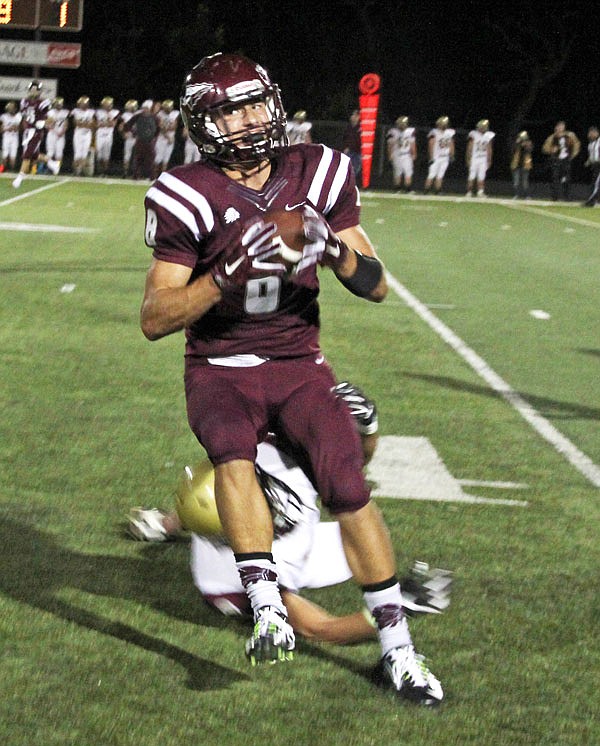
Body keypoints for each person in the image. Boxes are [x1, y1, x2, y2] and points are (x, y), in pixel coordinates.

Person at [139, 52, 443, 705]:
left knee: (349, 484)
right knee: (231, 451)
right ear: (204, 122)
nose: (253, 117)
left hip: (299, 361)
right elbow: (155, 317)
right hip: (220, 364)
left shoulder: (318, 169)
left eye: (258, 101)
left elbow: (377, 284)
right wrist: (222, 276)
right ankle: (267, 605)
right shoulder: (184, 191)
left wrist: (331, 249)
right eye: (234, 108)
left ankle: (400, 651)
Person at [128, 383, 452, 638]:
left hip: (289, 528)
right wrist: (401, 606)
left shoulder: (245, 475)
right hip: (298, 557)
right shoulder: (231, 582)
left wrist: (164, 523)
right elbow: (321, 627)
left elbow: (202, 503)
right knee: (370, 541)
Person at [12, 81, 60, 188]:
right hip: (28, 131)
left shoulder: (43, 102)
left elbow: (52, 118)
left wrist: (44, 123)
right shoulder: (24, 101)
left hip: (36, 132)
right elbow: (25, 116)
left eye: (36, 89)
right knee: (34, 156)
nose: (33, 91)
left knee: (27, 155)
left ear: (39, 91)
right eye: (32, 89)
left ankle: (19, 179)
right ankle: (52, 163)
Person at [542, 120, 580, 201]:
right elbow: (545, 148)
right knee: (555, 178)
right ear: (556, 128)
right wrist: (551, 150)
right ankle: (554, 197)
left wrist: (572, 155)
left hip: (566, 160)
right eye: (559, 127)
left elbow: (577, 145)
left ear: (564, 127)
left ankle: (567, 197)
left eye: (562, 126)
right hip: (556, 160)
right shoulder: (552, 137)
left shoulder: (570, 135)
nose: (560, 128)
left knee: (566, 179)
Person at [126, 99, 158, 179]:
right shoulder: (138, 116)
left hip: (149, 141)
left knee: (150, 159)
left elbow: (157, 128)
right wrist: (133, 133)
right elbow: (128, 125)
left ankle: (151, 176)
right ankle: (136, 175)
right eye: (144, 108)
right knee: (138, 159)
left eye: (146, 108)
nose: (145, 109)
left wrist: (154, 137)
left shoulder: (154, 117)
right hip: (140, 140)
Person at [424, 116, 455, 195]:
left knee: (440, 175)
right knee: (432, 174)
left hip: (445, 157)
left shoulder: (449, 132)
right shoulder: (434, 132)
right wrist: (431, 157)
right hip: (436, 157)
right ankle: (426, 190)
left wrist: (451, 155)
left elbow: (451, 144)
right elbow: (431, 144)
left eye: (445, 124)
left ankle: (437, 191)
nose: (444, 125)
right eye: (443, 124)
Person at [386, 116, 417, 193]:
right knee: (397, 172)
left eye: (403, 124)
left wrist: (414, 153)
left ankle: (408, 188)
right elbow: (390, 145)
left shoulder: (410, 131)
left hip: (406, 154)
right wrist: (390, 155)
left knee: (408, 172)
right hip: (397, 154)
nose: (402, 125)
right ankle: (397, 188)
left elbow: (412, 143)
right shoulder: (393, 132)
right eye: (401, 124)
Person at [465, 119, 494, 197]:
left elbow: (489, 148)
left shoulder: (488, 135)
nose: (484, 128)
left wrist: (489, 159)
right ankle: (469, 192)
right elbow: (469, 147)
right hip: (474, 158)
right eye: (483, 126)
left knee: (481, 176)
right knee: (472, 175)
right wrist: (468, 158)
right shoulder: (473, 134)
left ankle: (480, 192)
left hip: (483, 159)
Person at [153, 99, 180, 177]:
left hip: (170, 138)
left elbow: (174, 127)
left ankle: (161, 178)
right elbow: (161, 127)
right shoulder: (160, 114)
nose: (168, 110)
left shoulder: (175, 113)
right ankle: (153, 176)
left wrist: (168, 130)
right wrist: (168, 136)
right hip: (162, 139)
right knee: (158, 158)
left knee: (166, 159)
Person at [94, 96, 120, 176]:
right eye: (105, 104)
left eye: (108, 104)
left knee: (106, 155)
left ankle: (105, 172)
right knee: (98, 155)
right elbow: (96, 125)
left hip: (108, 135)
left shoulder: (115, 112)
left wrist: (106, 120)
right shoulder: (98, 112)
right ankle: (98, 171)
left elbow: (113, 124)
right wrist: (105, 124)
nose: (107, 106)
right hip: (99, 135)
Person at [70, 95, 96, 176]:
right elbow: (76, 123)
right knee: (77, 154)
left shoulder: (92, 112)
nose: (83, 105)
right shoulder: (75, 111)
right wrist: (86, 124)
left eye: (85, 103)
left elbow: (93, 124)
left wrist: (84, 124)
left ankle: (80, 171)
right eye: (82, 103)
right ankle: (76, 171)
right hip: (78, 134)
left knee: (84, 154)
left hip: (87, 134)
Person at [45, 97, 70, 173]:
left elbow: (66, 124)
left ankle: (57, 169)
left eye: (60, 104)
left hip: (61, 135)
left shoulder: (65, 112)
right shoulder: (50, 112)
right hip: (52, 134)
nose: (59, 105)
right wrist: (53, 126)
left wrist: (62, 132)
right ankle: (49, 168)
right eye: (57, 104)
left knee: (59, 153)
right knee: (50, 152)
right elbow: (47, 125)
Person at [510, 130, 533, 199]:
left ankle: (527, 195)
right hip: (516, 164)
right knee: (516, 181)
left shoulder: (528, 143)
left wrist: (526, 145)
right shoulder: (516, 143)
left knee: (525, 182)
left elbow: (530, 150)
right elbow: (512, 150)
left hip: (525, 165)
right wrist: (517, 144)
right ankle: (516, 195)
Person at [118, 99, 138, 177]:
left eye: (130, 107)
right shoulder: (125, 115)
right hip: (129, 137)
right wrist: (123, 133)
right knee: (127, 155)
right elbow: (120, 127)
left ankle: (135, 173)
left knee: (136, 156)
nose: (129, 108)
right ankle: (125, 172)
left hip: (137, 137)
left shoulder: (138, 114)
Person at [341, 109, 361, 186]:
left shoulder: (361, 128)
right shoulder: (348, 127)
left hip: (358, 151)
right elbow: (344, 138)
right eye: (353, 115)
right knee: (346, 169)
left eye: (355, 115)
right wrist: (345, 147)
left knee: (356, 169)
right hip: (349, 151)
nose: (352, 117)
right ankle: (346, 185)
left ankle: (351, 185)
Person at [1, 101, 22, 172]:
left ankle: (11, 170)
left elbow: (18, 128)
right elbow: (1, 129)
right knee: (5, 154)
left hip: (14, 137)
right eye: (10, 108)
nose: (11, 109)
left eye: (12, 108)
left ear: (15, 108)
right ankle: (3, 170)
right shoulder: (3, 116)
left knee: (13, 155)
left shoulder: (18, 116)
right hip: (6, 137)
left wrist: (14, 127)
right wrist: (8, 128)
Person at [582, 126, 600, 207]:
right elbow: (592, 156)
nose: (590, 135)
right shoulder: (590, 144)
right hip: (595, 166)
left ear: (596, 133)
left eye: (592, 133)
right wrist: (588, 162)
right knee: (596, 183)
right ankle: (596, 200)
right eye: (589, 133)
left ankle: (591, 202)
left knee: (596, 184)